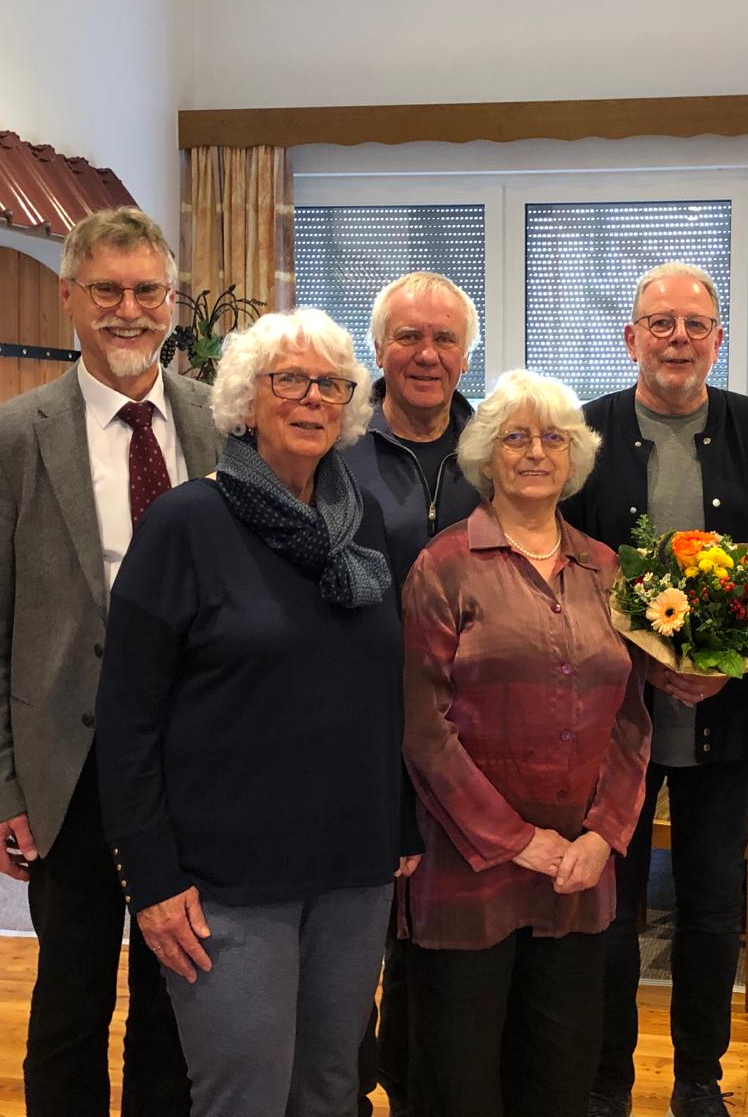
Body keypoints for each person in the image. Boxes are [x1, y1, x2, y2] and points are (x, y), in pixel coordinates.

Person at [93, 308, 420, 1116]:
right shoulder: (186, 523)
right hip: (228, 880)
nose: (314, 399)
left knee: (331, 1087)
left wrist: (400, 825)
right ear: (247, 398)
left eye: (332, 385)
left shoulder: (359, 523)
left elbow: (381, 689)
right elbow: (127, 717)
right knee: (244, 1095)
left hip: (352, 866)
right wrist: (154, 879)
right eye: (290, 381)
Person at [0, 206, 212, 1116]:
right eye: (107, 290)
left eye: (145, 290)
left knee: (178, 997)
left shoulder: (221, 430)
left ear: (172, 300)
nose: (127, 310)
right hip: (72, 771)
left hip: (197, 760)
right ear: (69, 296)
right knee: (70, 1003)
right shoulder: (4, 444)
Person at [564, 262, 748, 1117]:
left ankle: (699, 1076)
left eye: (695, 325)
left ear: (718, 339)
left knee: (710, 908)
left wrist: (723, 664)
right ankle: (605, 1079)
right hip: (609, 724)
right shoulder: (584, 434)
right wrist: (644, 665)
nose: (677, 338)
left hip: (725, 717)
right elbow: (561, 575)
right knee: (610, 911)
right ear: (630, 338)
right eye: (659, 323)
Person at [401, 368, 651, 1117]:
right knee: (462, 1078)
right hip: (467, 869)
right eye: (516, 437)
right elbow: (423, 729)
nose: (536, 452)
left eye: (553, 438)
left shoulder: (610, 572)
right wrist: (518, 841)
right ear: (488, 455)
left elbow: (633, 720)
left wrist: (603, 838)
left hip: (578, 874)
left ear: (573, 459)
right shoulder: (444, 566)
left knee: (560, 1073)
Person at [341, 271, 483, 1117]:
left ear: (468, 354)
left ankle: (426, 1088)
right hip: (354, 728)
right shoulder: (336, 441)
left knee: (442, 935)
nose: (426, 355)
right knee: (356, 933)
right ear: (379, 348)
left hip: (468, 733)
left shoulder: (497, 448)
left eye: (444, 340)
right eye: (408, 337)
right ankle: (346, 1090)